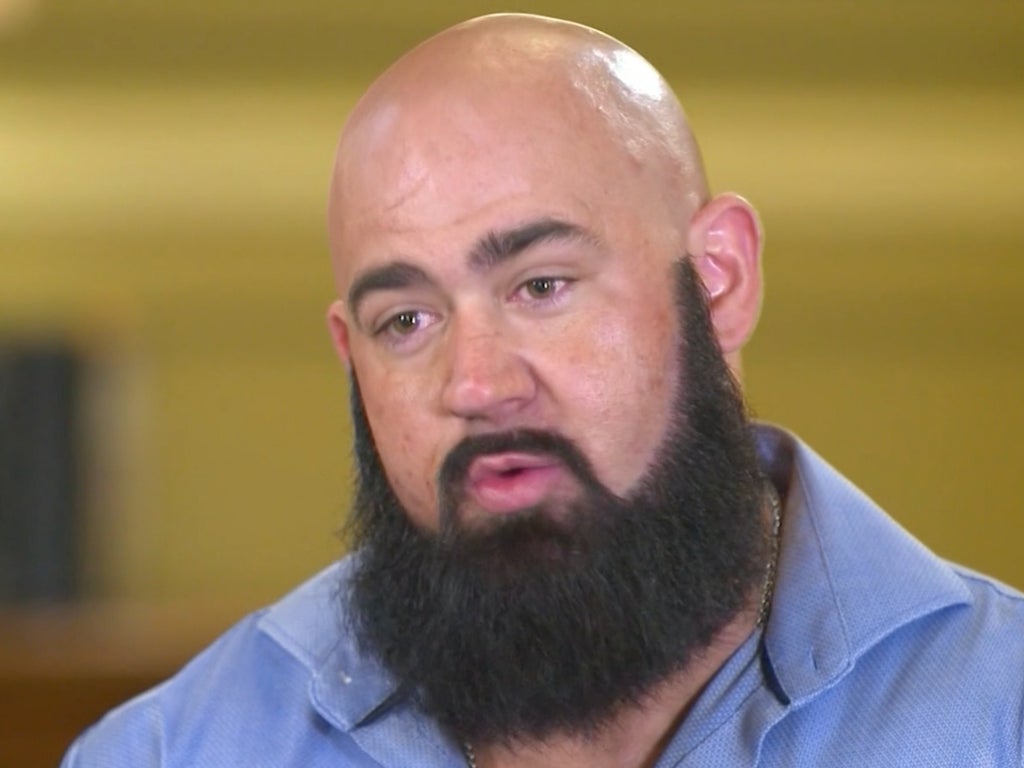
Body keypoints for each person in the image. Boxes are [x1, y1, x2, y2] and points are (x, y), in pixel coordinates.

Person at [62, 13, 1024, 768]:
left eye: (542, 286)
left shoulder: (1000, 710)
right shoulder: (171, 752)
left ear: (720, 280)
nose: (477, 385)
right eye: (407, 321)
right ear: (351, 358)